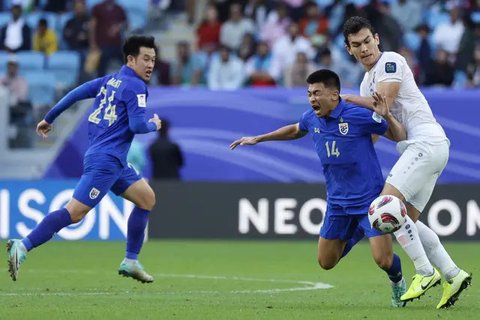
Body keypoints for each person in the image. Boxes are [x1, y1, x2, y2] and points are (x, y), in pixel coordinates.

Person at [231, 69, 408, 307]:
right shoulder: (311, 118)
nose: (312, 98)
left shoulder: (358, 116)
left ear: (335, 95)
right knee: (326, 262)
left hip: (369, 200)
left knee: (384, 261)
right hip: (337, 202)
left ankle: (397, 281)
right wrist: (259, 138)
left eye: (317, 93)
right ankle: (356, 232)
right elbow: (295, 129)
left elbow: (398, 135)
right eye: (309, 93)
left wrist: (388, 117)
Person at [6, 35, 162, 284]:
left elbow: (76, 93)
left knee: (146, 198)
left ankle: (131, 260)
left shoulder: (110, 80)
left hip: (113, 159)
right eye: (146, 59)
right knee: (75, 213)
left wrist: (49, 118)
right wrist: (154, 124)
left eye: (153, 59)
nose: (150, 64)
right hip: (106, 161)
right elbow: (138, 125)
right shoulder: (136, 86)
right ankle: (22, 246)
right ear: (131, 60)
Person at [341, 16, 472, 309]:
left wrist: (344, 99)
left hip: (425, 143)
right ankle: (453, 274)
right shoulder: (365, 83)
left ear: (377, 39)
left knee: (384, 206)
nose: (364, 49)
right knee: (405, 220)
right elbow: (382, 127)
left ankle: (425, 273)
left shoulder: (390, 61)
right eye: (356, 45)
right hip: (423, 147)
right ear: (349, 50)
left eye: (366, 41)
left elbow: (385, 101)